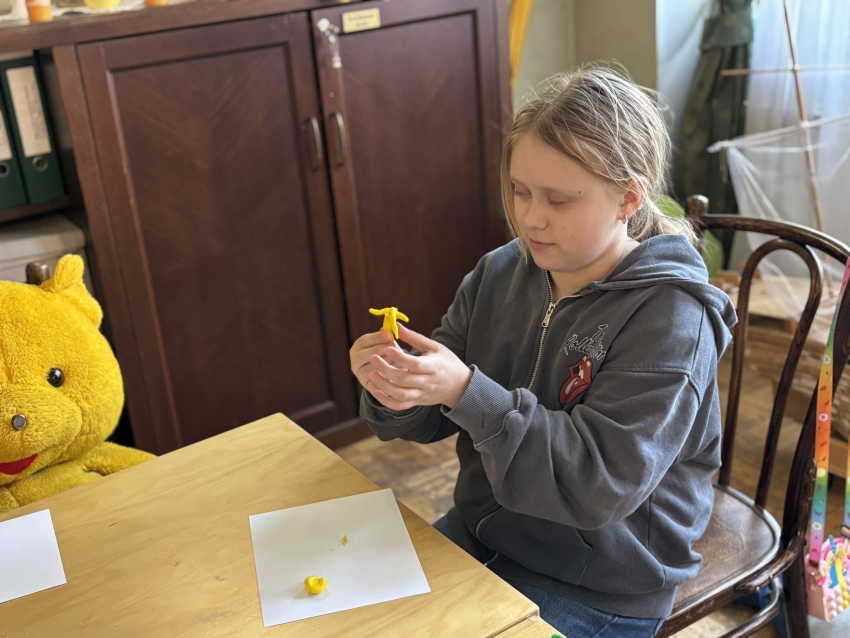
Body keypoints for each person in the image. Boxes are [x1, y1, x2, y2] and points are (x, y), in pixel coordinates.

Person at [349, 66, 736, 637]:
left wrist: (467, 391)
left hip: (599, 582)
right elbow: (433, 414)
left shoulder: (672, 317)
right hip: (482, 533)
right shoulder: (500, 271)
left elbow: (599, 483)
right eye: (520, 191)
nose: (531, 217)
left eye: (559, 199)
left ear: (629, 197)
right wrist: (397, 387)